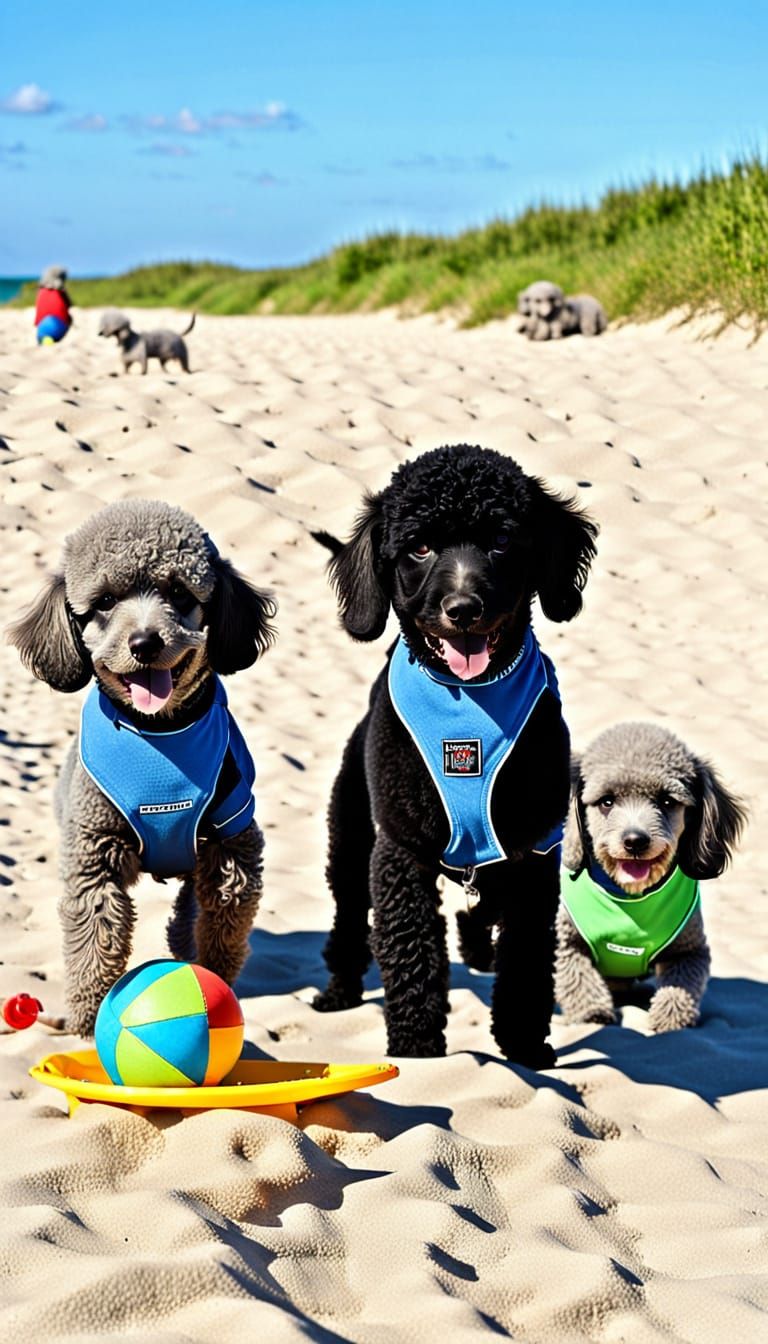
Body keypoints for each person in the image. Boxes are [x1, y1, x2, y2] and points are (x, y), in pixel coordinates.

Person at [35, 265, 73, 344]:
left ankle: (43, 339)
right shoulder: (61, 291)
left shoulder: (41, 291)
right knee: (70, 318)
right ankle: (56, 338)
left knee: (42, 337)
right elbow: (69, 305)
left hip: (42, 326)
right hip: (58, 325)